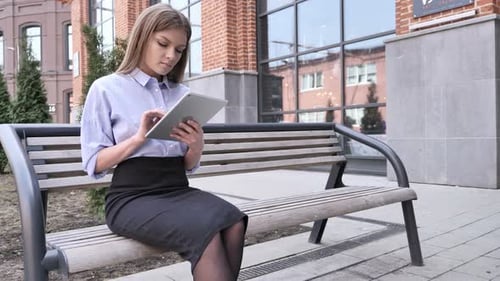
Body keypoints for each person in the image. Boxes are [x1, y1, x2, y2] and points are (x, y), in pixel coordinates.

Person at [80, 4, 247, 281]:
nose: (170, 56)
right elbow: (93, 163)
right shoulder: (106, 88)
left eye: (179, 50)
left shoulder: (181, 93)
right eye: (163, 44)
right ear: (143, 37)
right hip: (131, 197)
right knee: (207, 233)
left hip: (177, 189)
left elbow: (187, 166)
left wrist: (196, 145)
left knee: (234, 222)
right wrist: (137, 139)